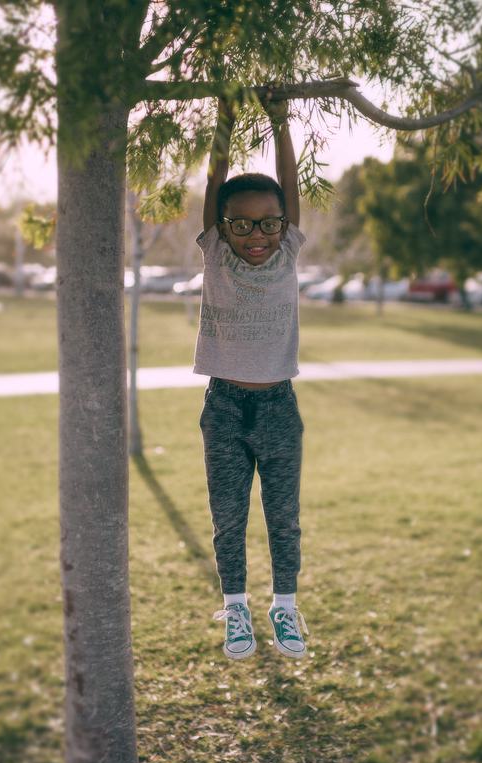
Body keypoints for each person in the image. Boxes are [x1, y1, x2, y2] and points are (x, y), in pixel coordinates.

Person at [197, 96, 309, 661]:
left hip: (279, 408)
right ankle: (236, 607)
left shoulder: (288, 252)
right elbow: (213, 181)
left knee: (283, 518)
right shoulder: (216, 254)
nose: (256, 234)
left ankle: (284, 606)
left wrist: (280, 121)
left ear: (283, 224)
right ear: (222, 226)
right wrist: (224, 117)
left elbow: (290, 185)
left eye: (268, 222)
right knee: (229, 518)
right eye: (241, 223)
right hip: (223, 408)